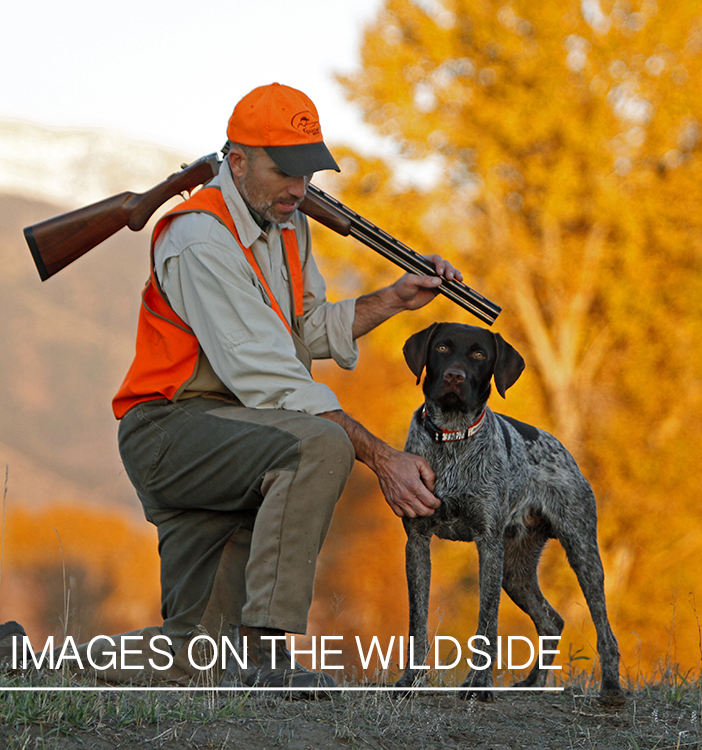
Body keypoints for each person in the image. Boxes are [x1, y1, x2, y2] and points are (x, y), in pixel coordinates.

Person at [108, 83, 452, 689]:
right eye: (285, 171)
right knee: (321, 445)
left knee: (198, 657)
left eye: (309, 170)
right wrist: (384, 459)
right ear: (235, 162)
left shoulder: (287, 224)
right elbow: (272, 379)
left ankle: (14, 662)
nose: (300, 187)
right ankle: (270, 653)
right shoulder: (198, 239)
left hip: (240, 434)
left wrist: (395, 299)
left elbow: (305, 329)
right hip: (171, 431)